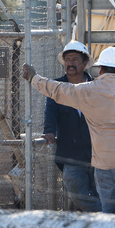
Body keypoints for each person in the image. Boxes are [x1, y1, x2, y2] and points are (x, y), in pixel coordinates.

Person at [22, 46, 115, 214]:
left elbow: (57, 90)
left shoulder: (88, 90)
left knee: (109, 209)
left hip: (106, 161)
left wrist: (33, 78)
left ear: (101, 70)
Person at [43, 41, 101, 212]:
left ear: (85, 64)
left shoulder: (97, 87)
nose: (70, 63)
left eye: (75, 59)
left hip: (97, 154)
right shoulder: (56, 87)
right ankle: (106, 217)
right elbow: (50, 112)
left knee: (100, 194)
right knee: (78, 196)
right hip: (71, 155)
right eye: (67, 59)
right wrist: (49, 131)